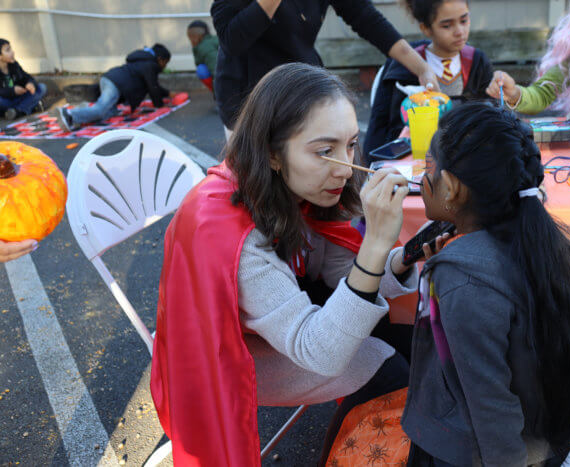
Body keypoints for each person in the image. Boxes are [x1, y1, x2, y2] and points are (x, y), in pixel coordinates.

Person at [150, 63, 428, 465]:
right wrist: (376, 246)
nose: (345, 167)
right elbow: (320, 352)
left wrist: (406, 254)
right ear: (272, 153)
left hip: (279, 326)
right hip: (227, 360)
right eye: (324, 150)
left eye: (350, 145)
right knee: (391, 374)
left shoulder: (301, 187)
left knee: (416, 344)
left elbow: (339, 275)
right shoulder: (227, 231)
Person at [396, 101, 570, 466]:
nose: (421, 179)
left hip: (477, 452)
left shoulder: (460, 279)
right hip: (549, 435)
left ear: (452, 189)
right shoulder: (548, 245)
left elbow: (491, 406)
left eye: (428, 167)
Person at [211, 0, 441, 138]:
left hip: (299, 89)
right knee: (254, 190)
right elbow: (232, 40)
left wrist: (421, 68)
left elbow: (366, 18)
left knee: (306, 184)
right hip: (247, 99)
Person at [364, 0, 493, 156]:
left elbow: (490, 117)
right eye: (447, 25)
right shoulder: (405, 67)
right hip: (417, 158)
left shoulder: (477, 62)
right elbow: (389, 129)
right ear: (426, 28)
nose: (460, 31)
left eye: (464, 20)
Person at [56, 44, 176, 131]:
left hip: (109, 79)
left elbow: (154, 87)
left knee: (110, 112)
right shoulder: (150, 65)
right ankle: (69, 114)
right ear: (160, 59)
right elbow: (153, 87)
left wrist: (168, 93)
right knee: (100, 109)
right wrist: (160, 105)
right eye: (165, 62)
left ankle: (81, 114)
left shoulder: (144, 60)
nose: (164, 66)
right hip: (115, 84)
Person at [0, 39, 46, 121]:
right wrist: (12, 91)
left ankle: (17, 111)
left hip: (18, 98)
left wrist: (29, 83)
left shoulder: (14, 64)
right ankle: (26, 108)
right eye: (8, 50)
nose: (12, 52)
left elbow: (26, 77)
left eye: (11, 49)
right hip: (5, 101)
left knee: (41, 87)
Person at [187, 20, 219, 93]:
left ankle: (221, 95)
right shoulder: (211, 40)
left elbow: (216, 70)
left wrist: (218, 95)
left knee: (202, 70)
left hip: (229, 76)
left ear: (195, 36)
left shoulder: (205, 47)